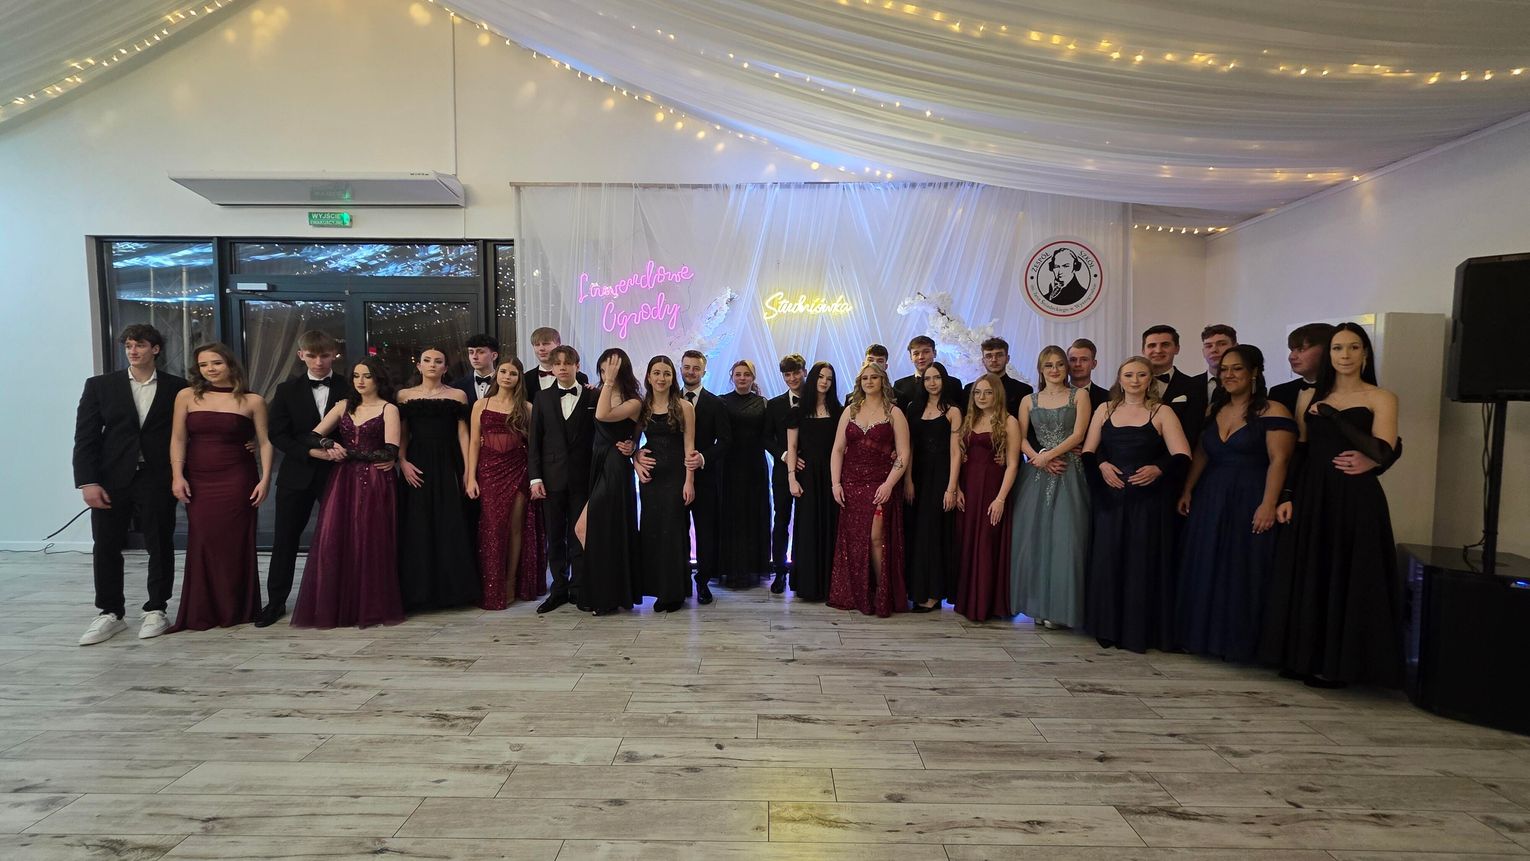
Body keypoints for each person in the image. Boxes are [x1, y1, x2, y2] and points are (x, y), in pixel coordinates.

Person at [1262, 322, 1403, 688]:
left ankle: (1340, 666)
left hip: (1355, 496)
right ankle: (1304, 658)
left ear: (1365, 353)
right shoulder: (1311, 396)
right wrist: (1287, 496)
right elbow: (1301, 451)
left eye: (1353, 347)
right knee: (1313, 572)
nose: (1345, 355)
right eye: (1338, 348)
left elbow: (1383, 450)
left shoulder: (1381, 397)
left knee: (1347, 573)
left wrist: (1337, 418)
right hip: (1313, 492)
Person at [1176, 345, 1295, 661]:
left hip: (1250, 494)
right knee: (1207, 563)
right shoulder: (1215, 409)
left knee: (1243, 566)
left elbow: (1280, 460)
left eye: (1237, 368)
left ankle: (1239, 643)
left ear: (1254, 372)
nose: (1228, 375)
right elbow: (1202, 453)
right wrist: (1187, 490)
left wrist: (1268, 503)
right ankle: (1201, 637)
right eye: (1224, 369)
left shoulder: (1273, 410)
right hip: (1211, 495)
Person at [73, 324, 189, 645]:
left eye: (139, 345)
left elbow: (191, 431)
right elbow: (85, 437)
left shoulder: (178, 387)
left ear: (155, 349)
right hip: (111, 477)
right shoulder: (100, 385)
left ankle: (157, 608)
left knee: (159, 542)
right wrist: (87, 481)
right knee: (106, 544)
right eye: (128, 346)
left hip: (156, 475)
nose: (133, 351)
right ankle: (110, 612)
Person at [1082, 356, 1192, 652]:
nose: (1134, 380)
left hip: (1147, 500)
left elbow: (1182, 455)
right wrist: (1103, 465)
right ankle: (1107, 627)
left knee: (1141, 564)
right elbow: (1089, 452)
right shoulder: (1105, 409)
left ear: (1149, 379)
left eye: (1141, 375)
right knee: (1108, 561)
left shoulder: (1162, 411)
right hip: (1111, 498)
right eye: (1129, 375)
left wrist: (1158, 469)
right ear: (1120, 379)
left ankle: (1138, 631)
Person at [290, 357, 405, 629]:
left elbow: (390, 450)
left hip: (375, 480)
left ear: (378, 379)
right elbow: (310, 435)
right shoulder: (343, 406)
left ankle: (370, 606)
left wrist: (346, 452)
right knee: (336, 537)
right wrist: (328, 443)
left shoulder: (388, 408)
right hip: (343, 480)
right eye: (356, 376)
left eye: (367, 376)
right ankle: (339, 605)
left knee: (371, 538)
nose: (360, 381)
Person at [169, 343, 272, 631]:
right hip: (199, 479)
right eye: (203, 365)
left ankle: (236, 608)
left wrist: (265, 479)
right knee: (203, 539)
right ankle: (202, 609)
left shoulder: (253, 400)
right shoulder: (186, 396)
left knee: (235, 543)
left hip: (238, 478)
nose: (210, 369)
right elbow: (178, 438)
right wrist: (177, 475)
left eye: (216, 363)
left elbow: (265, 441)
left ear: (230, 365)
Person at [257, 330, 352, 628]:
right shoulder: (286, 390)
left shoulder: (350, 386)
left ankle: (342, 600)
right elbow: (277, 434)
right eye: (312, 355)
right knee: (285, 539)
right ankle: (275, 602)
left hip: (339, 472)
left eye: (324, 355)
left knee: (342, 537)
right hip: (296, 473)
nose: (319, 362)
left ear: (334, 354)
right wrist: (311, 452)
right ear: (301, 355)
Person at [1010, 346, 1092, 629]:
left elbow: (1079, 434)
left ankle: (1061, 609)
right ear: (1040, 369)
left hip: (1070, 471)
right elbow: (1019, 438)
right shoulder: (1028, 400)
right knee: (1034, 538)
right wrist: (1039, 457)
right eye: (1048, 365)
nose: (1054, 370)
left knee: (1067, 539)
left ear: (1066, 368)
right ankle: (1038, 605)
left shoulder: (1079, 396)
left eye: (1059, 364)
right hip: (1036, 473)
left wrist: (1050, 455)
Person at [396, 346, 479, 611]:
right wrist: (402, 462)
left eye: (438, 361)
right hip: (417, 463)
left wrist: (468, 472)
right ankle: (418, 593)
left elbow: (464, 435)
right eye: (427, 360)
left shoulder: (458, 395)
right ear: (419, 365)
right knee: (417, 523)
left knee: (449, 522)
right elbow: (402, 434)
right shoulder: (404, 395)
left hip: (448, 462)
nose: (432, 364)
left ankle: (452, 592)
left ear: (445, 367)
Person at [829, 362, 911, 617]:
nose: (869, 381)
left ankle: (881, 594)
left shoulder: (894, 412)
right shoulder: (850, 410)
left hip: (880, 483)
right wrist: (835, 483)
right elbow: (837, 449)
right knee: (854, 539)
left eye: (874, 377)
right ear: (859, 382)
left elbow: (904, 453)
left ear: (882, 380)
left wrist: (889, 484)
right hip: (851, 483)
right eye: (865, 378)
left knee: (876, 538)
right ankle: (858, 593)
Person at [465, 356, 545, 610]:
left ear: (519, 378)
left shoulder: (527, 408)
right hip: (488, 471)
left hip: (518, 469)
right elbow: (474, 442)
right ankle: (492, 584)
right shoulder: (481, 404)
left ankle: (510, 583)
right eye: (503, 372)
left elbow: (535, 446)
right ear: (496, 375)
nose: (507, 377)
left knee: (515, 527)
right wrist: (470, 477)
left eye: (512, 373)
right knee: (492, 526)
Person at [529, 345, 599, 613]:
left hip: (583, 477)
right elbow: (535, 441)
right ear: (552, 367)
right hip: (551, 478)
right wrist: (535, 478)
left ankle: (578, 588)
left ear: (577, 366)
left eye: (567, 363)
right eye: (557, 363)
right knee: (555, 535)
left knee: (579, 533)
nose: (562, 367)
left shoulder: (593, 396)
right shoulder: (542, 397)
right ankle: (558, 588)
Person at [575, 348, 643, 615]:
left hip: (615, 466)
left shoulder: (634, 401)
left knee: (587, 527)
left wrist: (634, 446)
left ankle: (605, 592)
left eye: (612, 369)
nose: (606, 374)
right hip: (597, 463)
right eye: (603, 369)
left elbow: (603, 415)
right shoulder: (595, 393)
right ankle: (606, 590)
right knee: (594, 530)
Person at [953, 374, 1021, 622]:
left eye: (988, 392)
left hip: (993, 489)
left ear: (997, 394)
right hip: (968, 488)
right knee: (968, 543)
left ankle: (985, 605)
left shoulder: (1009, 421)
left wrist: (1000, 499)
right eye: (977, 392)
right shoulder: (970, 419)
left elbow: (1013, 464)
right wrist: (957, 488)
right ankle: (968, 602)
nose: (981, 397)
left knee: (986, 544)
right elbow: (959, 457)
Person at [633, 355, 697, 612]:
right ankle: (658, 590)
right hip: (650, 480)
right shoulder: (641, 407)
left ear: (673, 378)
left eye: (667, 373)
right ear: (649, 377)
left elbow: (690, 447)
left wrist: (689, 481)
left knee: (673, 533)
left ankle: (674, 593)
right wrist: (636, 461)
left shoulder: (684, 406)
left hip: (676, 478)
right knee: (652, 532)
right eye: (657, 373)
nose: (661, 378)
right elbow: (632, 444)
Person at [903, 362, 961, 611]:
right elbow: (909, 447)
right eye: (927, 378)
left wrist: (951, 488)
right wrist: (908, 480)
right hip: (917, 476)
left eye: (937, 378)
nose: (932, 383)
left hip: (941, 477)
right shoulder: (913, 408)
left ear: (944, 380)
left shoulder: (953, 411)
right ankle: (917, 589)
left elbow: (956, 453)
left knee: (934, 534)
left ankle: (934, 593)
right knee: (916, 534)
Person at [785, 361, 841, 602]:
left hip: (832, 475)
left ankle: (830, 585)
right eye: (821, 377)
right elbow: (792, 447)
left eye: (829, 378)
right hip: (806, 476)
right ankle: (807, 585)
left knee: (831, 526)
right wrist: (791, 478)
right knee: (807, 527)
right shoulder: (797, 411)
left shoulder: (839, 411)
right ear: (813, 378)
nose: (824, 382)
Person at [678, 350, 731, 604]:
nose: (691, 372)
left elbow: (726, 441)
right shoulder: (667, 400)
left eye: (696, 368)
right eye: (687, 367)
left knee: (705, 532)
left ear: (704, 372)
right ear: (681, 368)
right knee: (676, 532)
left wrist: (703, 458)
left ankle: (702, 582)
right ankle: (678, 581)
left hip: (706, 479)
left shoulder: (716, 404)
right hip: (673, 478)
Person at [718, 359, 772, 589]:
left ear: (753, 378)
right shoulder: (721, 401)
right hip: (728, 466)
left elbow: (769, 436)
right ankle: (730, 569)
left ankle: (751, 568)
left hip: (755, 467)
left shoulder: (763, 403)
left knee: (753, 516)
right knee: (730, 516)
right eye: (738, 374)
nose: (742, 378)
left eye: (746, 374)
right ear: (732, 377)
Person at [763, 353, 806, 593]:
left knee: (806, 522)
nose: (792, 378)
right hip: (782, 474)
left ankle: (804, 572)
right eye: (787, 375)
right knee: (781, 521)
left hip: (810, 472)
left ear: (804, 372)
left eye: (796, 373)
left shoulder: (818, 400)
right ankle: (779, 572)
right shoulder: (775, 404)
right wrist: (786, 456)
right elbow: (766, 438)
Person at [1142, 325, 1207, 450]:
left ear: (1177, 349)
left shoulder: (1194, 386)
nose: (1158, 350)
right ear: (1143, 350)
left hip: (1177, 457)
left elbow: (1193, 432)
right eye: (1152, 345)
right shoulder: (1130, 386)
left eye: (1165, 345)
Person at [1269, 323, 1336, 414]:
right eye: (1292, 350)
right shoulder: (1278, 392)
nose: (1291, 357)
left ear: (1327, 350)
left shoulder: (1345, 391)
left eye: (1301, 349)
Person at [963, 337, 1030, 418]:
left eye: (999, 355)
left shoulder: (1023, 390)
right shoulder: (969, 389)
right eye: (989, 356)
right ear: (983, 361)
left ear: (1007, 359)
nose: (994, 360)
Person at [894, 335, 964, 412]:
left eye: (926, 352)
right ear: (911, 357)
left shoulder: (954, 383)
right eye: (916, 354)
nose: (921, 357)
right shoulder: (900, 386)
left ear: (935, 353)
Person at [1190, 324, 1238, 406]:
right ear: (1203, 352)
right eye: (1208, 346)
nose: (1214, 350)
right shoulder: (1189, 385)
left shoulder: (1246, 384)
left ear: (1236, 347)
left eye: (1222, 344)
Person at [528, 327, 588, 391]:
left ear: (558, 344)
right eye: (537, 345)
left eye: (546, 344)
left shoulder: (580, 377)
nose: (541, 349)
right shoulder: (527, 378)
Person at [451, 333, 500, 402]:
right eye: (471, 352)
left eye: (481, 352)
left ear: (494, 356)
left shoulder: (505, 383)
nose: (474, 357)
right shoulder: (457, 386)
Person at [1067, 338, 1112, 411]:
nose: (1078, 364)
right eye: (1073, 360)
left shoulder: (1109, 398)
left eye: (1084, 359)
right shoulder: (1053, 396)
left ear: (1094, 364)